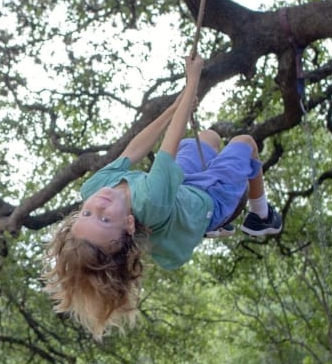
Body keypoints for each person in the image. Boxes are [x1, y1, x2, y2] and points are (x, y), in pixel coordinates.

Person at [43, 53, 282, 338]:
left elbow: (134, 150)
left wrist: (175, 106)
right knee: (245, 142)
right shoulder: (150, 201)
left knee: (207, 137)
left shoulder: (94, 188)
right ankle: (261, 216)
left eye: (86, 213)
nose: (97, 205)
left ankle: (193, 226)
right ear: (129, 225)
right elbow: (167, 145)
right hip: (211, 201)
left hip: (180, 188)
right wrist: (192, 82)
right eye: (105, 219)